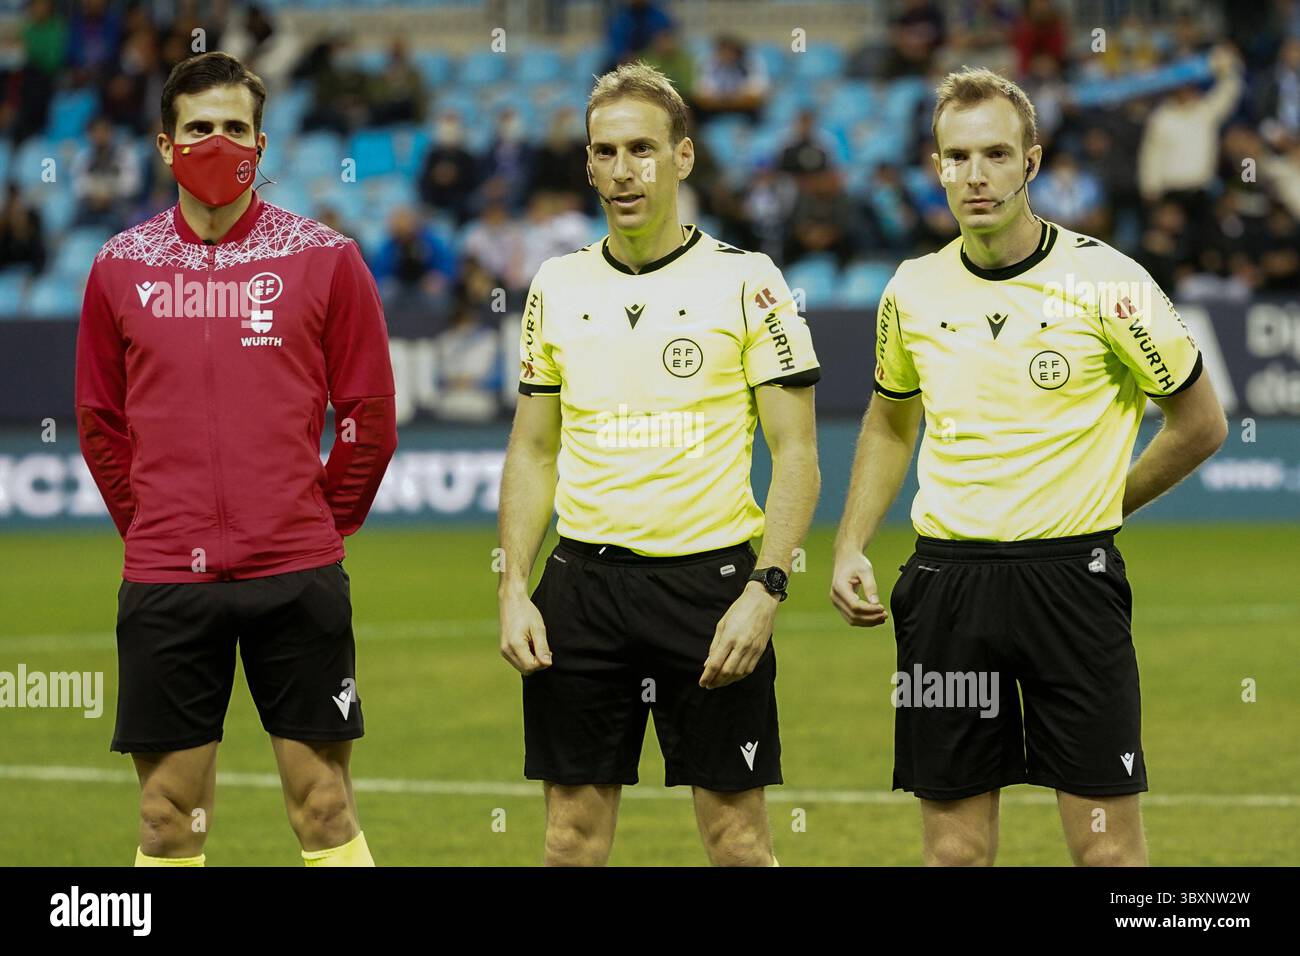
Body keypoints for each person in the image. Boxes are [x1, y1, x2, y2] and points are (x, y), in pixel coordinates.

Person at [830, 67, 1227, 867]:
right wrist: (848, 544)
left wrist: (1102, 505)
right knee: (955, 856)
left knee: (1108, 856)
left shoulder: (1108, 281)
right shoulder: (911, 290)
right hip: (945, 592)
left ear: (1032, 163)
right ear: (936, 165)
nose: (976, 176)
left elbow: (1201, 423)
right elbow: (889, 420)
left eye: (996, 155)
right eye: (957, 157)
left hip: (1072, 592)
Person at [75, 51, 397, 867]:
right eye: (198, 129)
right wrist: (151, 525)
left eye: (233, 128)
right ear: (164, 144)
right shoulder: (119, 267)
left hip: (295, 570)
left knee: (324, 806)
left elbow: (367, 414)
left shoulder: (326, 257)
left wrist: (321, 520)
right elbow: (99, 421)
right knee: (165, 818)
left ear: (261, 142)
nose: (216, 143)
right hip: (166, 580)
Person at [497, 62, 821, 866]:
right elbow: (533, 450)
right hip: (581, 590)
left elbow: (798, 454)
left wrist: (765, 588)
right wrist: (513, 588)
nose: (621, 170)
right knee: (569, 842)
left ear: (682, 157)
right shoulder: (556, 284)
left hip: (708, 591)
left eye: (641, 149)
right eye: (604, 152)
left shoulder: (749, 281)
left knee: (737, 842)